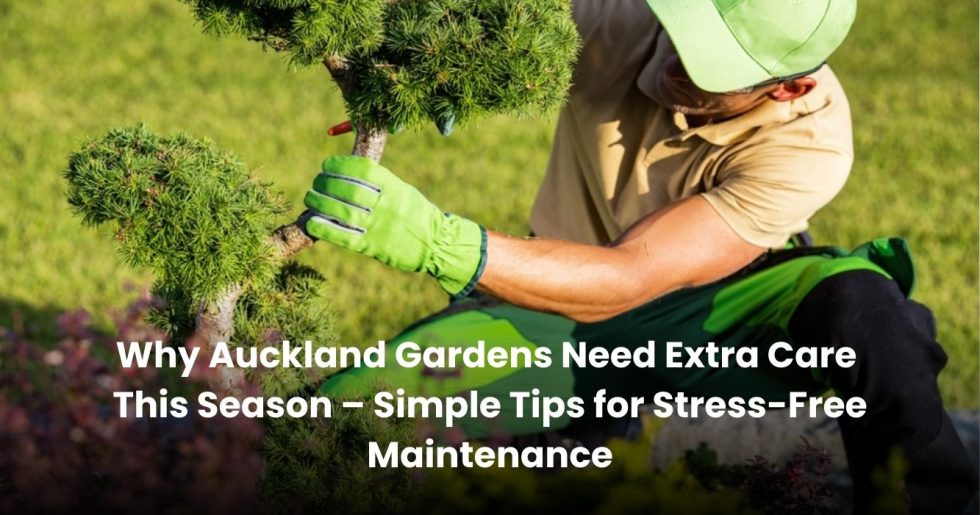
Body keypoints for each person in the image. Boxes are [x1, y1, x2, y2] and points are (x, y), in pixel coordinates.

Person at [302, 0, 978, 512]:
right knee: (340, 422)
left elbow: (634, 275)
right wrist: (438, 60)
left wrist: (439, 241)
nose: (677, 64)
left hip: (728, 316)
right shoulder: (623, 17)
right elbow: (493, 18)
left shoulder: (813, 142)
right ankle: (593, 431)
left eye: (709, 68)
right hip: (554, 298)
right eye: (685, 36)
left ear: (788, 88)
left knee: (866, 307)